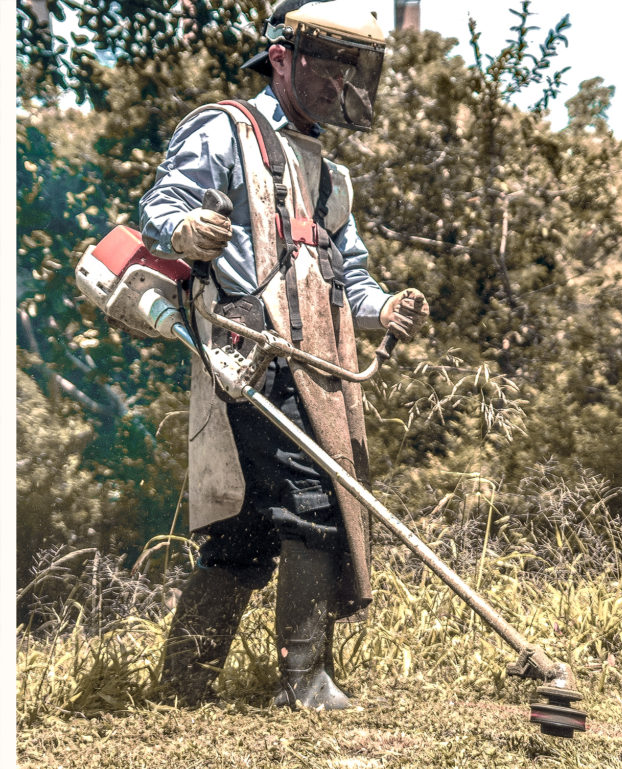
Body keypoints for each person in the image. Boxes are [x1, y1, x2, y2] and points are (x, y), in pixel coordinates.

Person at [139, 0, 429, 710]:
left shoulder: (328, 173)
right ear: (282, 58)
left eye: (354, 66)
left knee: (246, 528)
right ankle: (302, 683)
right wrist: (188, 230)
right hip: (248, 356)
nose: (342, 81)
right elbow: (159, 206)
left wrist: (384, 305)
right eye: (331, 61)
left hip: (315, 364)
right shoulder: (225, 128)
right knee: (311, 500)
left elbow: (347, 275)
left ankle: (183, 685)